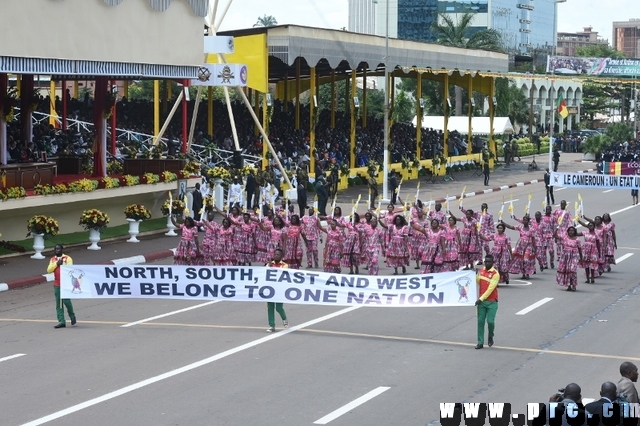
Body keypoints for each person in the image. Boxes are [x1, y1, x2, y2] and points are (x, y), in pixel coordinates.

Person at [47, 244, 76, 329]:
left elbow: (70, 269)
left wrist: (62, 264)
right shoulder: (53, 259)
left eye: (58, 249)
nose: (57, 250)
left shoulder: (67, 258)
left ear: (62, 250)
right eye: (55, 249)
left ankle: (72, 315)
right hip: (57, 284)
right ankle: (61, 321)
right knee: (59, 303)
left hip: (66, 283)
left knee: (66, 301)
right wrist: (56, 264)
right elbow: (49, 270)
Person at [475, 254, 499, 349]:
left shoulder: (495, 274)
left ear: (492, 263)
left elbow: (490, 289)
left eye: (489, 262)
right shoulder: (481, 271)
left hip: (492, 302)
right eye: (486, 261)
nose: (487, 263)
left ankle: (490, 335)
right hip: (482, 302)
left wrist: (481, 299)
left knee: (490, 322)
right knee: (480, 322)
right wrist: (475, 275)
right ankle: (480, 342)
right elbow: (478, 282)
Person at [265, 248, 288, 333]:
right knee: (270, 307)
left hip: (279, 289)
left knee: (278, 308)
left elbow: (282, 273)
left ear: (281, 256)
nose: (276, 256)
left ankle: (284, 318)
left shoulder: (284, 265)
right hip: (270, 289)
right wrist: (269, 267)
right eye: (275, 254)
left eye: (278, 254)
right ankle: (271, 325)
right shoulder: (269, 264)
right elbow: (265, 272)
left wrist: (272, 268)